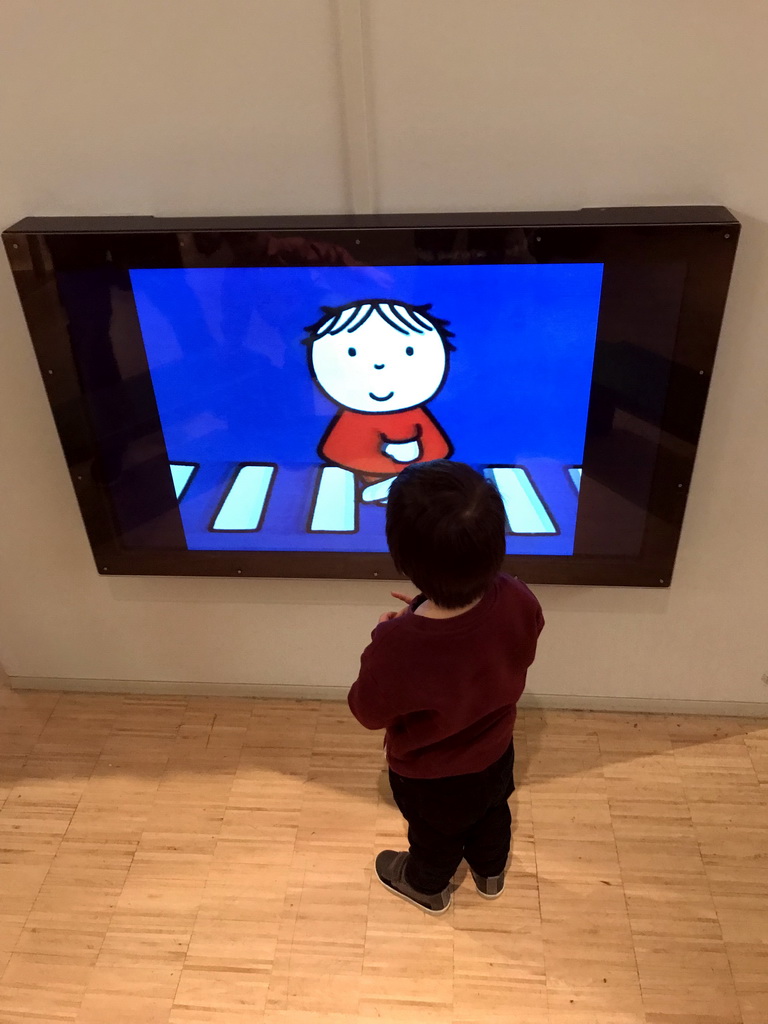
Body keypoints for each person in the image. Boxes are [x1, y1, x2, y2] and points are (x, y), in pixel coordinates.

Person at [347, 460, 544, 914]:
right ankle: (491, 873)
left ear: (402, 556)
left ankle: (427, 885)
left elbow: (366, 710)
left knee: (435, 836)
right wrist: (420, 613)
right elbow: (503, 645)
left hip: (431, 776)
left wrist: (393, 635)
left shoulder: (397, 645)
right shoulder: (517, 596)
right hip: (496, 751)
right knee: (494, 812)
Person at [303, 299, 454, 505]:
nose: (378, 366)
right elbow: (342, 449)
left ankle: (395, 483)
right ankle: (389, 483)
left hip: (414, 469)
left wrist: (414, 449)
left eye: (408, 351)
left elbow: (436, 448)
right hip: (366, 467)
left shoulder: (413, 412)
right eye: (352, 352)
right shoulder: (352, 415)